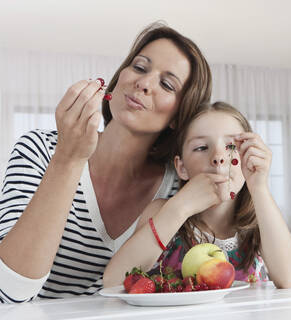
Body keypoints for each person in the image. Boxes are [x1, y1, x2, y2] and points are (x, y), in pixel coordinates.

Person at [0, 22, 212, 303]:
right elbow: (10, 291)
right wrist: (68, 158)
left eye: (166, 84)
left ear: (178, 116)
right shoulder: (40, 150)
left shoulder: (178, 186)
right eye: (139, 67)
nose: (144, 83)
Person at [103, 101, 291, 289]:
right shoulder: (164, 212)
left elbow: (289, 278)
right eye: (201, 148)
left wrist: (259, 186)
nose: (218, 157)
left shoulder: (260, 219)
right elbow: (114, 282)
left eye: (231, 146)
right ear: (182, 167)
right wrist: (181, 208)